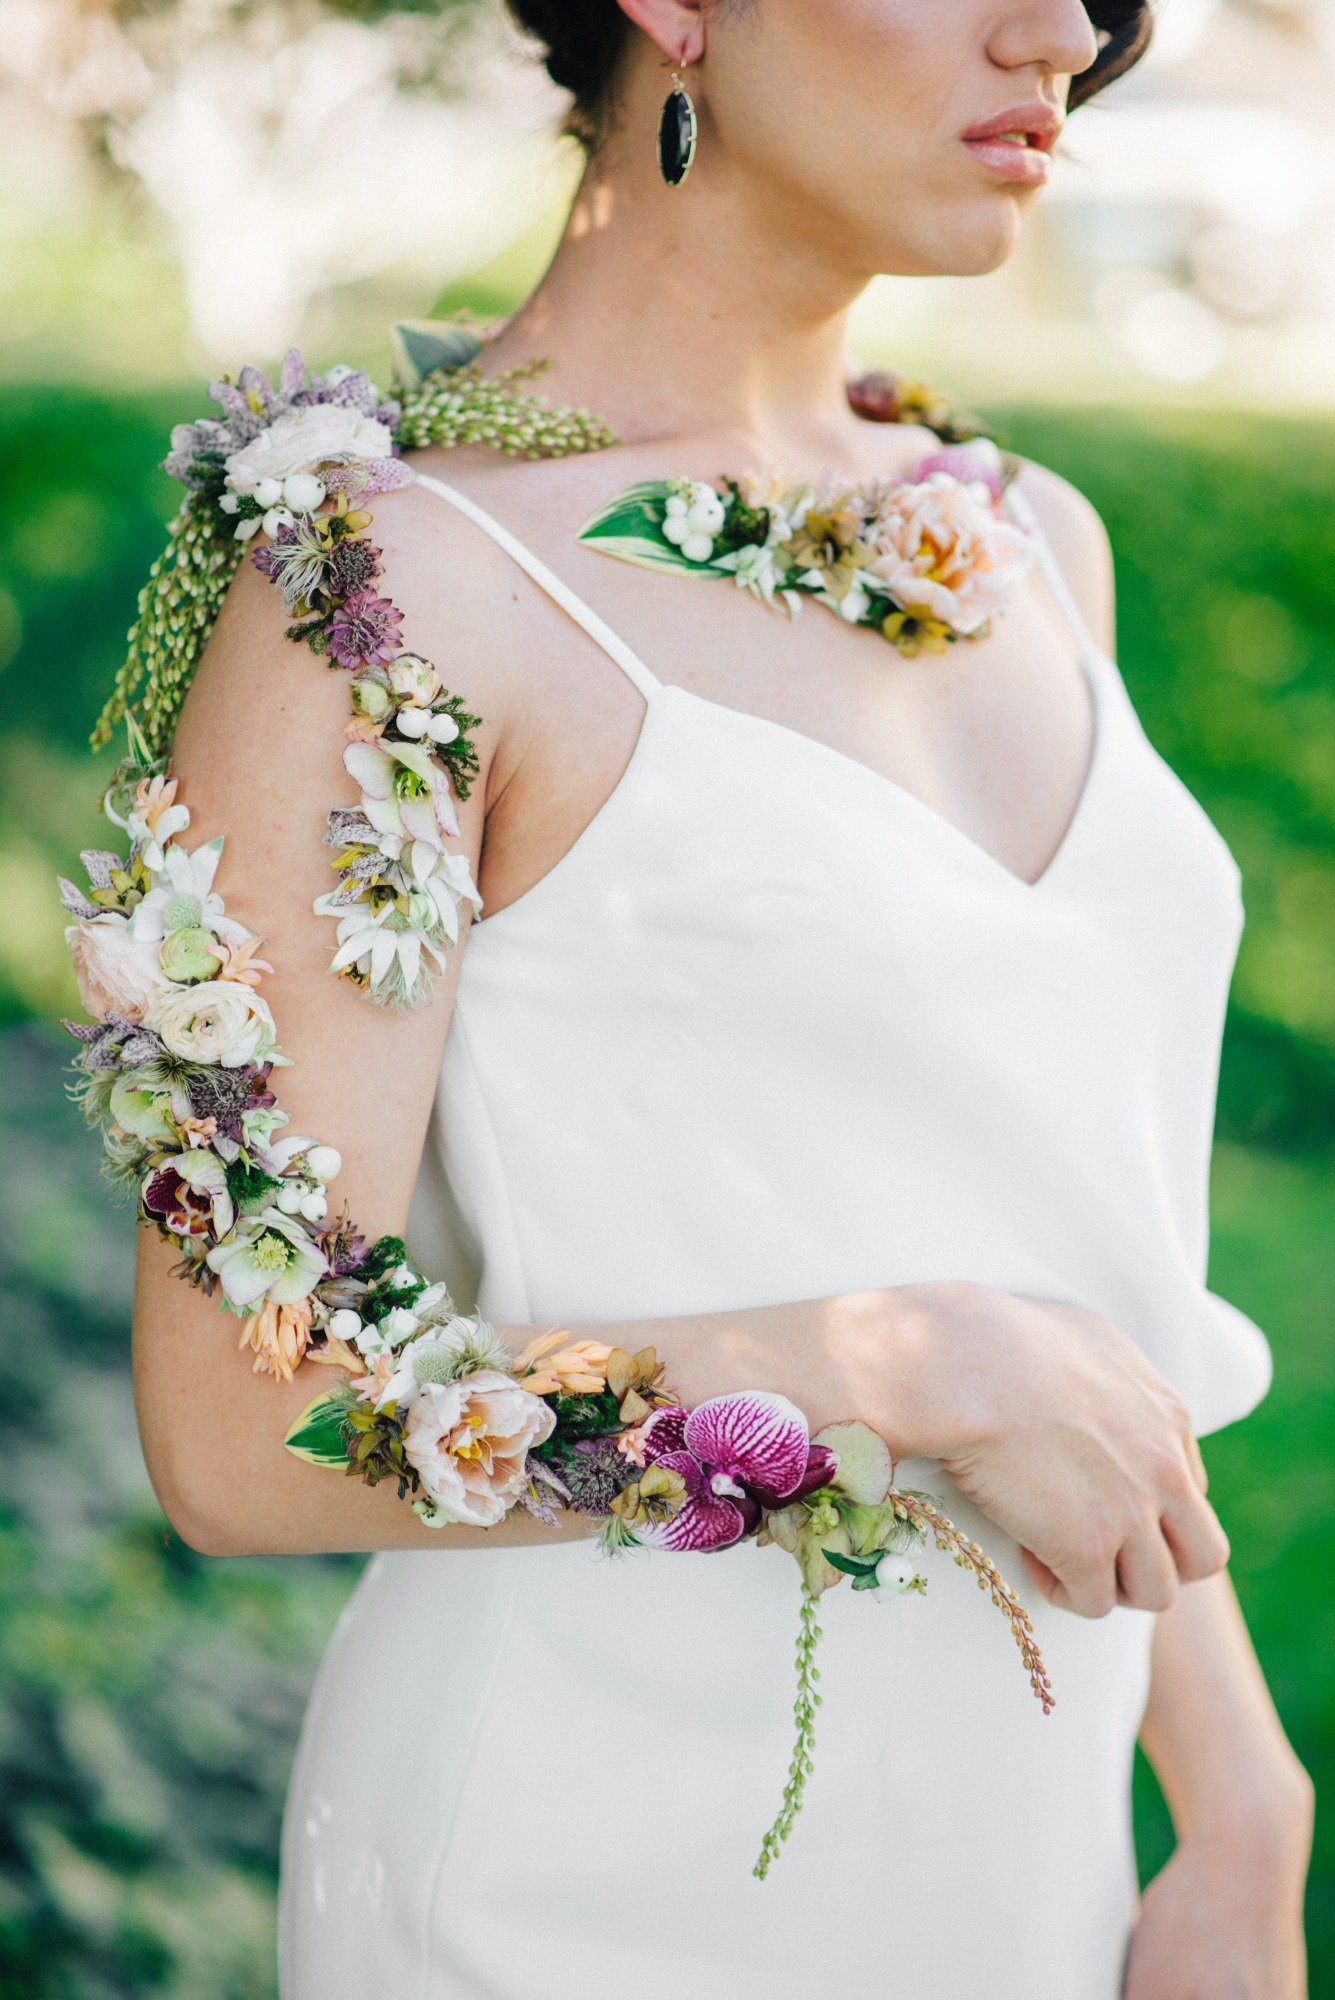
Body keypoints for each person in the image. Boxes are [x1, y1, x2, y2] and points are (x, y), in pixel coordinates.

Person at [126, 1, 1313, 1994]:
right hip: (586, 1870)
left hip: (1020, 1842)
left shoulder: (1019, 541)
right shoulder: (384, 592)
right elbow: (252, 1430)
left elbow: (1088, 1251)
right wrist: (898, 1363)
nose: (1065, 35)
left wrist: (1237, 1801)